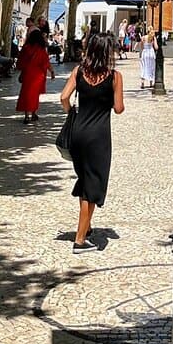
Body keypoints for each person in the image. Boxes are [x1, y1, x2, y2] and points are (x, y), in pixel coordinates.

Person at [60, 32, 125, 254]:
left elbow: (63, 98)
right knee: (94, 184)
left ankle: (85, 227)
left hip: (78, 133)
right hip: (98, 136)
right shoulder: (114, 77)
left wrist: (72, 115)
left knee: (85, 180)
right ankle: (79, 241)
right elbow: (118, 109)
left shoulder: (79, 72)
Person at [16, 28, 55, 124]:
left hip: (28, 73)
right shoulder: (41, 49)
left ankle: (26, 115)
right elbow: (46, 62)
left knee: (26, 94)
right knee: (35, 95)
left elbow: (21, 61)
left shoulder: (26, 48)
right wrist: (52, 71)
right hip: (38, 74)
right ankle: (33, 113)